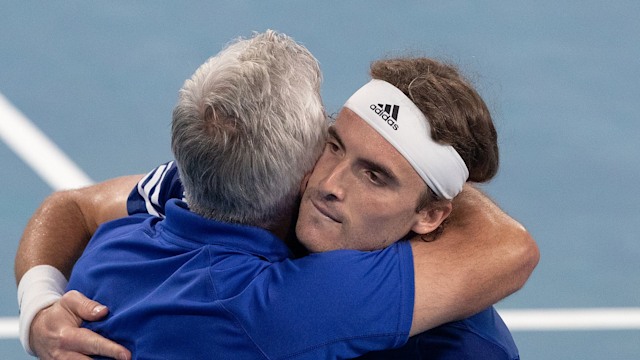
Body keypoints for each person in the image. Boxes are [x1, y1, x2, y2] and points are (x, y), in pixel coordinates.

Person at [15, 31, 538, 359]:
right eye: (334, 146)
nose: (330, 185)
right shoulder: (267, 189)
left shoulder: (462, 346)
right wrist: (37, 308)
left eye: (375, 175)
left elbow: (511, 248)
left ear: (431, 214)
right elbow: (72, 207)